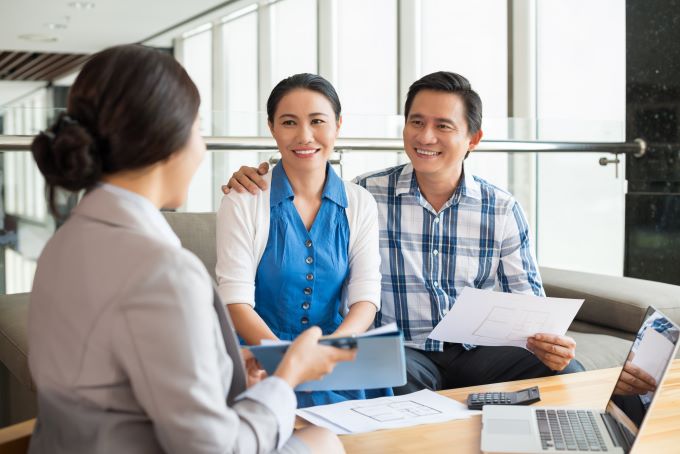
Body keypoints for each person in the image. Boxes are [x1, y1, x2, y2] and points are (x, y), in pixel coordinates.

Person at [28, 45, 353, 454]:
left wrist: (229, 368)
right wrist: (288, 375)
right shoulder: (162, 271)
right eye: (198, 129)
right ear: (166, 140)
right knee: (325, 442)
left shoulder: (62, 243)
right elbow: (215, 448)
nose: (201, 149)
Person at [223, 71, 584, 394]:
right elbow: (304, 181)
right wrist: (252, 175)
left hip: (480, 354)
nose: (426, 136)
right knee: (388, 376)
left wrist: (550, 343)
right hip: (406, 353)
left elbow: (532, 309)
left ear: (474, 138)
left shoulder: (501, 209)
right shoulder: (367, 195)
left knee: (566, 371)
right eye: (417, 122)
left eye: (443, 126)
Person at [216, 73, 389, 408]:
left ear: (338, 125)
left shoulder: (360, 202)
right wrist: (293, 363)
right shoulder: (243, 200)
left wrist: (330, 351)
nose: (304, 135)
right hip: (258, 359)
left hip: (333, 358)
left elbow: (366, 296)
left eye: (317, 121)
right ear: (271, 127)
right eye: (289, 122)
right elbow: (235, 302)